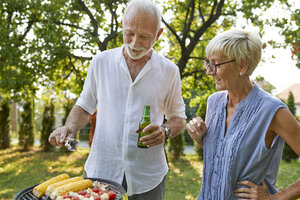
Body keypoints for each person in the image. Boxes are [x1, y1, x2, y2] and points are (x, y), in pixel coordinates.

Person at [48, 0, 186, 199]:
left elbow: (178, 118)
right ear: (122, 24)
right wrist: (68, 128)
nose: (134, 43)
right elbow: (84, 107)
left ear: (158, 34)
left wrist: (165, 131)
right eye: (129, 33)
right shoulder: (100, 62)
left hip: (149, 173)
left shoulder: (170, 71)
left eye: (144, 36)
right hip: (101, 169)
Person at [186, 29, 300, 199]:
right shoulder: (214, 102)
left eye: (215, 64)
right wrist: (201, 139)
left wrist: (275, 198)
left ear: (241, 66)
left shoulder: (273, 111)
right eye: (208, 63)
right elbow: (226, 156)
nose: (209, 71)